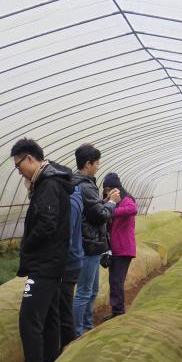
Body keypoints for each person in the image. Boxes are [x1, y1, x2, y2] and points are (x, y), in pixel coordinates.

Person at [6, 138, 73, 362]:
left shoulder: (47, 185)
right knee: (50, 315)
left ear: (30, 159)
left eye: (18, 165)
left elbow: (46, 223)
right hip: (54, 261)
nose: (18, 170)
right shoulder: (53, 182)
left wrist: (28, 246)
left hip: (45, 263)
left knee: (29, 319)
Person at [72, 144, 119, 337]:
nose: (98, 166)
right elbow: (99, 215)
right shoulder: (84, 185)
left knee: (92, 290)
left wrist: (104, 201)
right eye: (97, 163)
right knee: (84, 291)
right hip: (87, 245)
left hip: (92, 245)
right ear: (88, 163)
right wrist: (111, 203)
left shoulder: (86, 184)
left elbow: (93, 210)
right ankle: (77, 332)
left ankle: (87, 326)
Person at [53, 176, 84, 351]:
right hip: (73, 261)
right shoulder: (75, 198)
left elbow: (67, 239)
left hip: (68, 263)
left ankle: (66, 348)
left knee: (64, 309)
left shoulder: (70, 204)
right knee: (63, 306)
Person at [102, 173, 137, 320]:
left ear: (111, 188)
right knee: (114, 281)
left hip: (123, 248)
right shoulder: (113, 200)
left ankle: (118, 313)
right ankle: (117, 311)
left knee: (116, 281)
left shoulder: (126, 199)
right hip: (116, 248)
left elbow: (133, 209)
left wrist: (112, 211)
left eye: (106, 189)